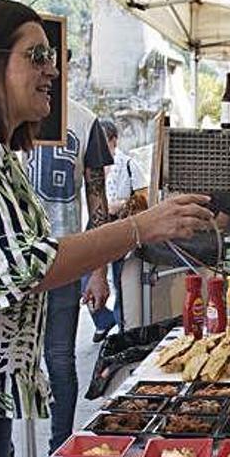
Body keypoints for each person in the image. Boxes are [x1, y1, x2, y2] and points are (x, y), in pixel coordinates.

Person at [0, 0, 212, 457]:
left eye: (53, 56)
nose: (54, 70)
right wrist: (138, 228)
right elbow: (18, 266)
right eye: (36, 56)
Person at [25, 97, 114, 452]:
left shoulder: (84, 120)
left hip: (62, 258)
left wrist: (98, 270)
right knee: (7, 364)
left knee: (59, 358)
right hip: (15, 259)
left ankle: (60, 447)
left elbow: (98, 204)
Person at [82, 118, 150, 343]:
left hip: (121, 226)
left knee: (122, 280)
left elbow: (143, 197)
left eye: (104, 143)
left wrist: (120, 205)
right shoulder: (91, 166)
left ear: (113, 141)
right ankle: (103, 320)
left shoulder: (128, 164)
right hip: (96, 228)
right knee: (85, 276)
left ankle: (123, 329)